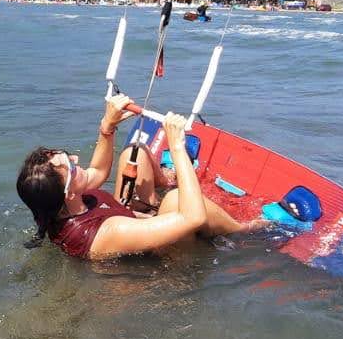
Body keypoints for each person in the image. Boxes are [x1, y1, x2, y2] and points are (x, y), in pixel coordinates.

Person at [15, 94, 260, 260]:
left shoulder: (63, 203)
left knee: (135, 152)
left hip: (130, 218)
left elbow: (99, 172)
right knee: (176, 200)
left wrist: (107, 126)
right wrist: (176, 147)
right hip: (169, 262)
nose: (77, 159)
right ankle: (249, 229)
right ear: (68, 193)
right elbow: (193, 218)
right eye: (71, 165)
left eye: (67, 156)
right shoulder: (107, 232)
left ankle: (169, 177)